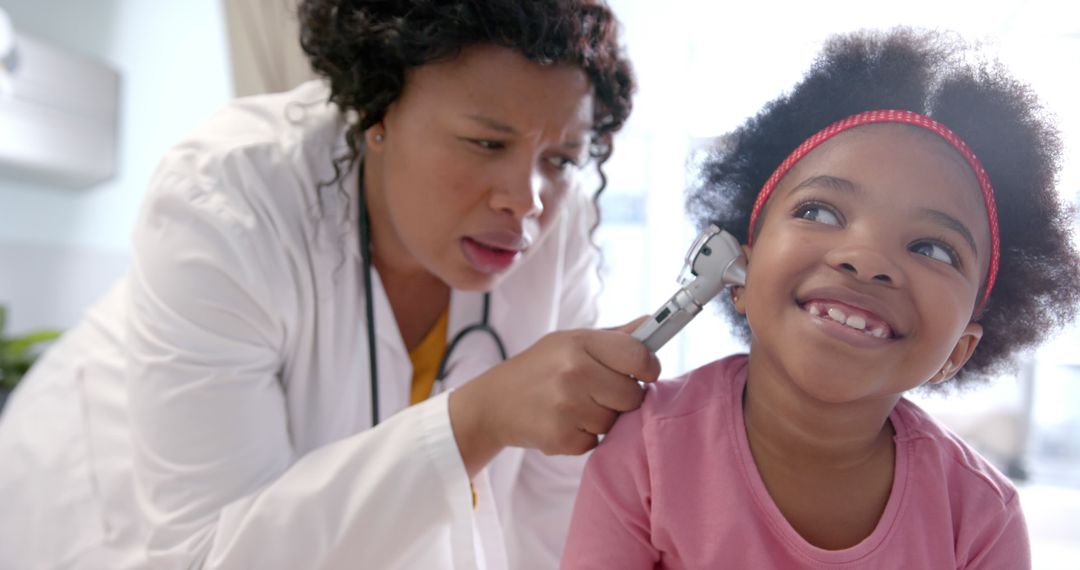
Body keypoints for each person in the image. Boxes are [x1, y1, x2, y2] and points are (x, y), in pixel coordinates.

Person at [0, 1, 658, 568]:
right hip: (100, 503)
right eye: (486, 144)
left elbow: (548, 512)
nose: (527, 200)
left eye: (563, 159)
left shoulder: (556, 224)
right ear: (379, 110)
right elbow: (206, 554)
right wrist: (476, 419)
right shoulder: (228, 201)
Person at [561, 28, 1080, 569]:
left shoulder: (980, 519)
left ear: (958, 350)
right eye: (819, 212)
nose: (867, 258)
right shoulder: (647, 451)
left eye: (934, 249)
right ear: (738, 272)